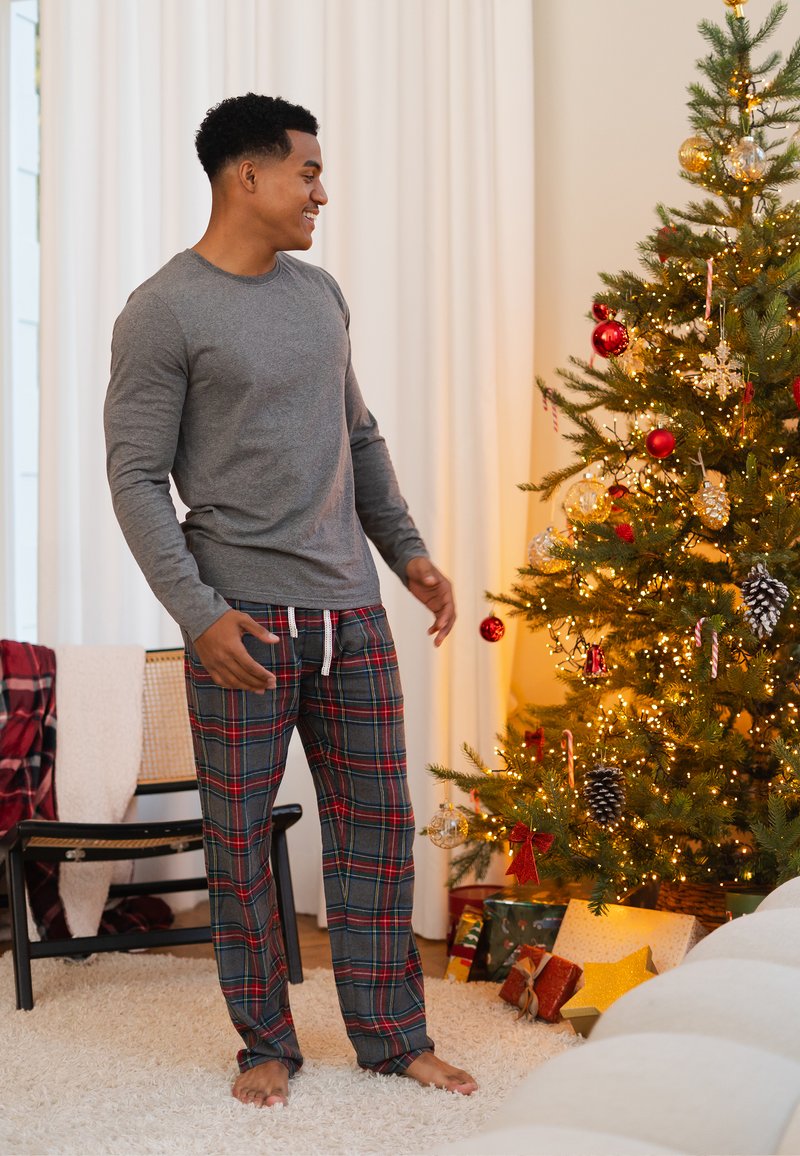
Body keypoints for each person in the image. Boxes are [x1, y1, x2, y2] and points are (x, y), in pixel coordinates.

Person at [104, 93, 477, 1108]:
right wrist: (198, 613)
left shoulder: (320, 295)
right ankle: (263, 1041)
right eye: (308, 172)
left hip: (350, 610)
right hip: (242, 621)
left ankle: (393, 1037)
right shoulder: (163, 310)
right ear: (248, 175)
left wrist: (407, 553)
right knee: (239, 842)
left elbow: (357, 436)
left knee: (377, 828)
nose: (321, 191)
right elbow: (135, 476)